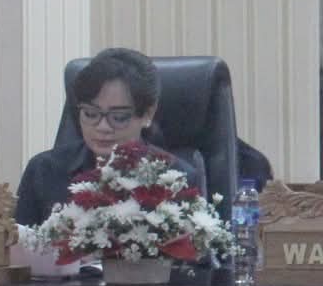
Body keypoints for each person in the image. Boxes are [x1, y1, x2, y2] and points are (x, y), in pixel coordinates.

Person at [15, 47, 199, 228]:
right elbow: (18, 243)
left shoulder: (177, 178)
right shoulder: (44, 170)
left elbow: (194, 245)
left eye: (118, 117)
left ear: (147, 114)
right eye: (90, 114)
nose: (103, 127)